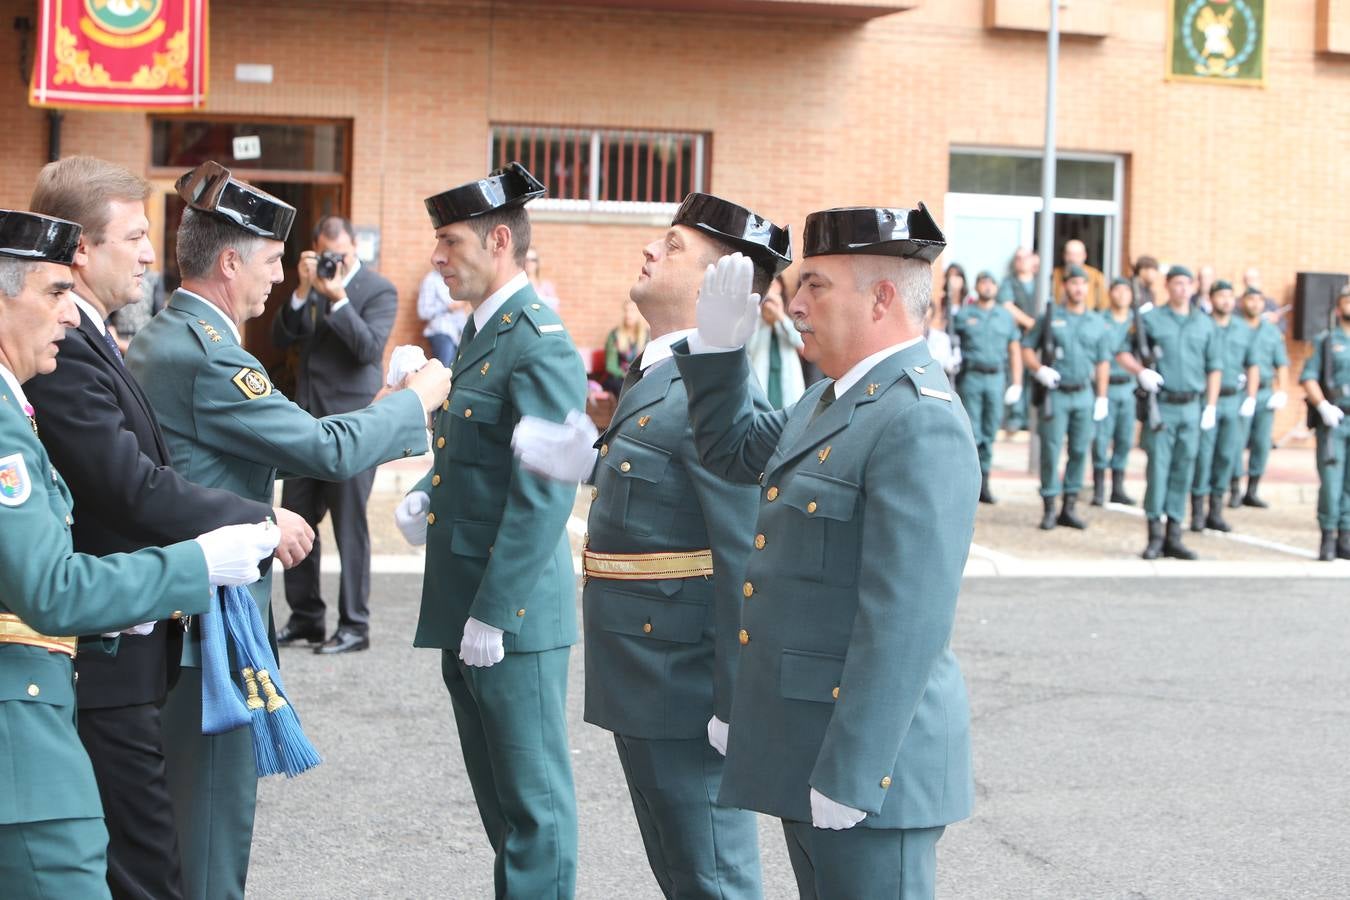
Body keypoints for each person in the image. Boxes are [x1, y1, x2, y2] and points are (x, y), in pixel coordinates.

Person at [127, 161, 449, 900]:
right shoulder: (209, 356)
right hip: (207, 630)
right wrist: (416, 402)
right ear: (230, 262)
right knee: (210, 839)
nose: (280, 278)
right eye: (271, 261)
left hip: (179, 616)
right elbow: (322, 449)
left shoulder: (165, 336)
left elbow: (225, 460)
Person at [25, 155, 315, 900]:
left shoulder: (107, 337)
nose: (151, 255)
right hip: (102, 648)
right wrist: (256, 520)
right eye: (133, 237)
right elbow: (133, 489)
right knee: (143, 867)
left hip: (121, 643)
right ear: (81, 250)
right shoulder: (70, 348)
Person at [669, 203, 977, 899]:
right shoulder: (831, 400)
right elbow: (732, 450)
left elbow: (905, 621)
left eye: (816, 286)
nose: (796, 304)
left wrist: (854, 773)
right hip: (809, 745)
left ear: (882, 298)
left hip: (870, 767)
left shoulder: (917, 417)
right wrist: (719, 351)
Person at [512, 191, 786, 899]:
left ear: (718, 284)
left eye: (673, 246)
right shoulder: (664, 370)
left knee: (714, 878)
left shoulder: (717, 396)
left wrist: (736, 699)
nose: (650, 249)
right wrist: (592, 466)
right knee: (685, 875)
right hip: (646, 677)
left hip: (687, 688)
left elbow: (743, 554)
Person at [391, 162, 587, 898]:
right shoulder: (484, 331)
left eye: (450, 241)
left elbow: (546, 489)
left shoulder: (537, 340)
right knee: (503, 809)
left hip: (511, 615)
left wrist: (496, 611)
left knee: (534, 811)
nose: (437, 257)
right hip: (469, 602)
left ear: (499, 240)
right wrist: (426, 496)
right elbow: (486, 453)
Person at [271, 215, 400, 654]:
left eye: (341, 255)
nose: (334, 263)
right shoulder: (310, 285)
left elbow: (368, 350)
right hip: (306, 423)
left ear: (354, 247)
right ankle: (306, 617)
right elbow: (279, 337)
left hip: (352, 427)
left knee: (350, 527)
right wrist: (302, 291)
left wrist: (339, 298)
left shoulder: (378, 290)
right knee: (296, 519)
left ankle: (355, 625)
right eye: (327, 255)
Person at [1115, 265, 1221, 560]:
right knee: (1158, 471)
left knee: (1183, 470)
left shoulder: (1204, 323)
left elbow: (1215, 367)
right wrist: (1140, 372)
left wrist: (1211, 406)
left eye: (1187, 283)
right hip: (1161, 406)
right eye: (1176, 283)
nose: (1182, 289)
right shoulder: (1151, 320)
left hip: (1192, 406)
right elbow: (1122, 351)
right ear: (1167, 286)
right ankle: (1155, 535)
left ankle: (1175, 534)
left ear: (1193, 287)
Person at [1022, 265, 1110, 530]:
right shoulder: (1050, 317)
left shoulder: (1097, 322)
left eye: (1083, 284)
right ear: (1065, 286)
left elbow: (1103, 362)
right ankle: (1049, 505)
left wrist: (1102, 397)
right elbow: (1027, 348)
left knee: (1080, 450)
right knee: (1051, 450)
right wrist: (1039, 370)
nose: (1078, 288)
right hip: (1056, 393)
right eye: (1073, 283)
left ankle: (1069, 507)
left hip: (1083, 393)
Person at [1188, 281, 1258, 533]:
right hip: (1206, 399)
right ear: (1211, 299)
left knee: (1227, 455)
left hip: (1232, 399)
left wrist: (1251, 397)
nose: (1226, 301)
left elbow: (1252, 363)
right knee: (1203, 456)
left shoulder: (1242, 329)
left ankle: (1215, 511)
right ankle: (1197, 511)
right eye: (1221, 296)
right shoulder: (1200, 325)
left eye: (1230, 296)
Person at [954, 270, 1022, 503]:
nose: (987, 286)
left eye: (991, 283)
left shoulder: (1005, 316)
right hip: (972, 376)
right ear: (976, 287)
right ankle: (969, 482)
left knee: (991, 430)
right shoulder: (964, 315)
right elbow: (952, 339)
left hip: (996, 377)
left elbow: (1014, 349)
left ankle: (985, 482)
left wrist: (1017, 382)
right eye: (983, 282)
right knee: (972, 432)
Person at [1300, 284, 1350, 560]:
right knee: (1331, 482)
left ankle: (1346, 536)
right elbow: (1308, 377)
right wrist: (1322, 406)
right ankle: (1328, 536)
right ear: (1338, 307)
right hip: (1335, 420)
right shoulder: (1327, 340)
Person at [1231, 285, 1290, 509]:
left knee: (1262, 442)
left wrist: (1282, 391)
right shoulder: (1234, 327)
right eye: (1250, 299)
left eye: (1259, 300)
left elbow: (1282, 363)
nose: (1255, 304)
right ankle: (1234, 487)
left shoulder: (1271, 331)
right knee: (1236, 442)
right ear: (1242, 302)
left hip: (1265, 392)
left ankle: (1252, 490)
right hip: (1240, 391)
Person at [1091, 278, 1139, 506]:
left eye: (1125, 291)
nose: (1121, 295)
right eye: (1117, 290)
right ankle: (1099, 487)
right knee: (1101, 437)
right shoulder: (1100, 320)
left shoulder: (1137, 322)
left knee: (1124, 438)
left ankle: (1118, 486)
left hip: (1129, 386)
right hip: (1106, 385)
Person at [747, 272, 806, 408]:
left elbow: (800, 343)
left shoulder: (790, 316)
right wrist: (758, 314)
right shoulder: (755, 318)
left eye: (773, 284)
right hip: (762, 375)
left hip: (787, 378)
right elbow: (748, 347)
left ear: (780, 287)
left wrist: (780, 317)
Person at [998, 248, 1039, 431]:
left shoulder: (1040, 282)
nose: (1021, 261)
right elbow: (1007, 306)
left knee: (1035, 376)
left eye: (1025, 257)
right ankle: (1015, 417)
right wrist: (1031, 323)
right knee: (1016, 376)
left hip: (1037, 339)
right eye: (1018, 258)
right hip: (1017, 337)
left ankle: (1030, 418)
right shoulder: (1009, 282)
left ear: (1034, 260)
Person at [416, 268, 469, 367]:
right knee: (443, 370)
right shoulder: (431, 280)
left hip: (458, 335)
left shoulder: (456, 279)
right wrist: (448, 307)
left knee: (453, 372)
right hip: (442, 333)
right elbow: (423, 312)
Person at [107, 268, 164, 353]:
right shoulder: (118, 276)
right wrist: (113, 335)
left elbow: (158, 315)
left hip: (144, 341)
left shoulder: (154, 278)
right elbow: (107, 309)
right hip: (117, 339)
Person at [603, 298, 649, 395]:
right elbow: (611, 366)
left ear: (639, 314)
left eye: (632, 310)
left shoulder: (646, 336)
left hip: (639, 377)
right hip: (618, 378)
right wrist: (628, 376)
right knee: (625, 388)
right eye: (625, 310)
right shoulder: (614, 335)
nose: (628, 314)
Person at [1051, 239, 1107, 311]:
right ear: (1064, 255)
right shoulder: (1055, 274)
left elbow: (1103, 305)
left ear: (1084, 256)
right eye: (1069, 254)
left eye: (1078, 255)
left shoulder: (1096, 276)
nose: (1073, 259)